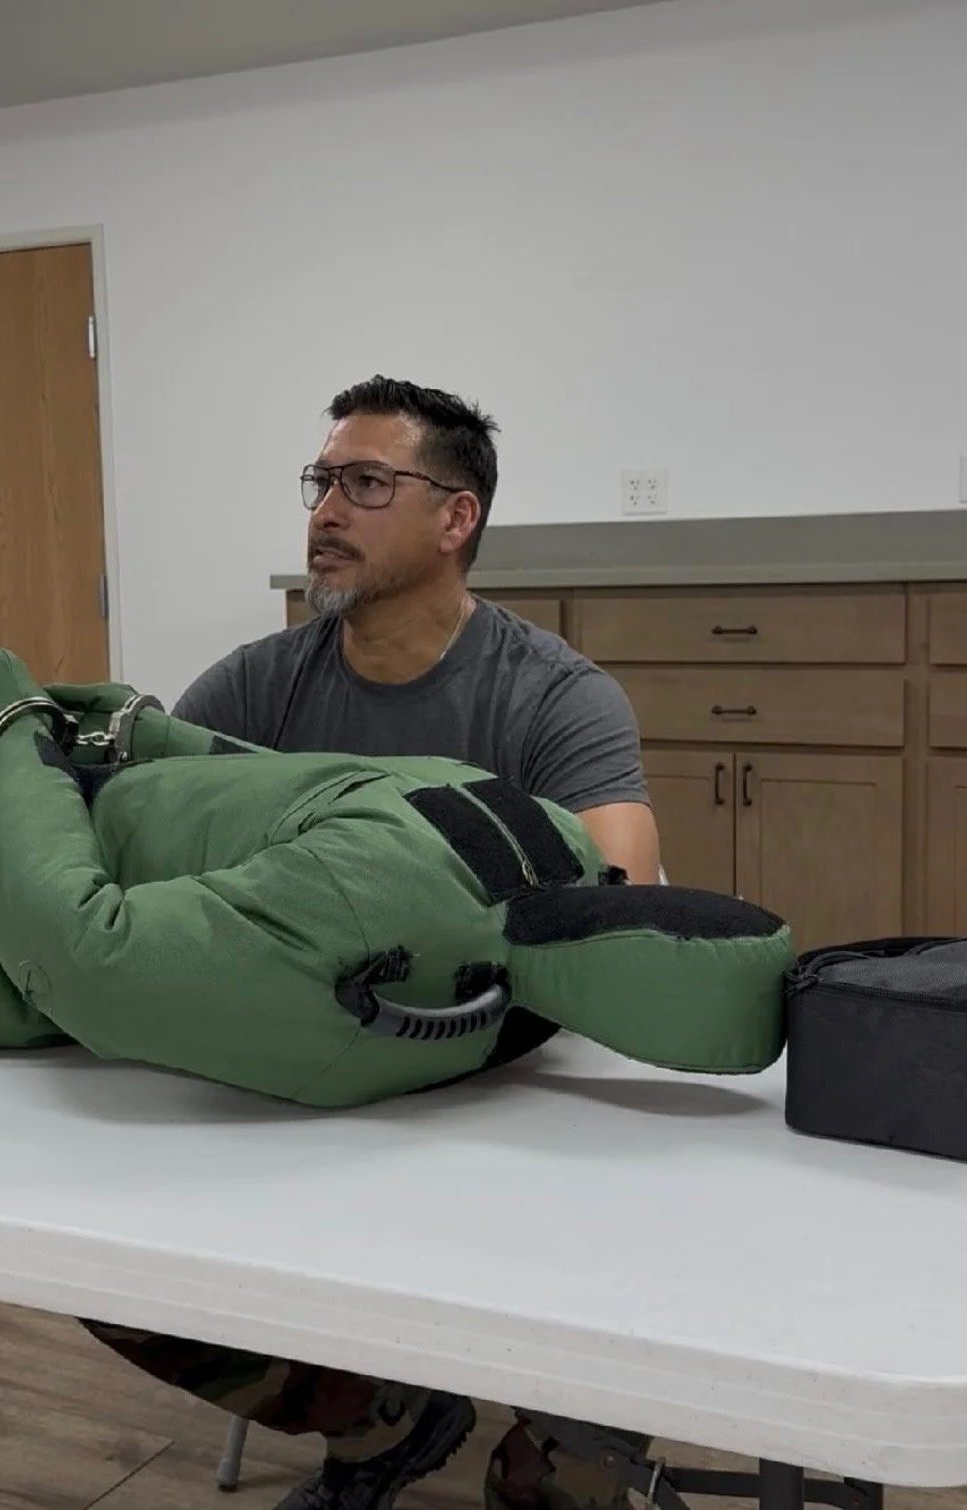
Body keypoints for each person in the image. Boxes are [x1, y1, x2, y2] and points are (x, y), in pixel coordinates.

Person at [81, 375, 664, 1510]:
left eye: (365, 483)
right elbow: (136, 833)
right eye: (321, 481)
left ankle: (549, 1440)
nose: (325, 511)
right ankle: (378, 1415)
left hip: (503, 1078)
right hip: (309, 1069)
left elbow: (622, 892)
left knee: (579, 1439)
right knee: (91, 1251)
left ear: (456, 519)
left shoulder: (554, 695)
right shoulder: (256, 685)